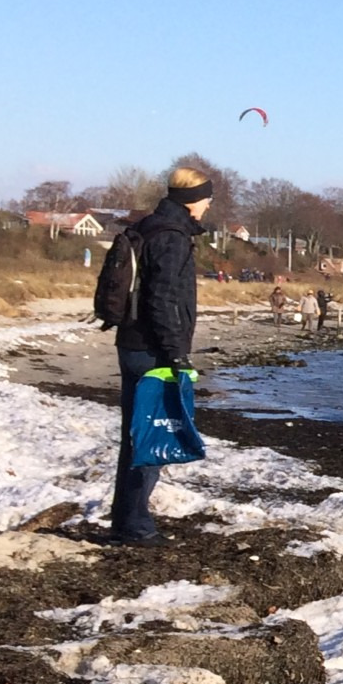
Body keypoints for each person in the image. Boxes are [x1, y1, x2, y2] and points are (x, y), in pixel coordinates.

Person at [106, 167, 213, 543]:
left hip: (133, 342)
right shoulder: (172, 237)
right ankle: (133, 524)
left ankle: (127, 519)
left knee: (137, 434)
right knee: (149, 437)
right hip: (151, 350)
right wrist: (176, 353)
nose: (208, 206)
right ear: (194, 201)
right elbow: (163, 299)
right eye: (206, 199)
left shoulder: (152, 227)